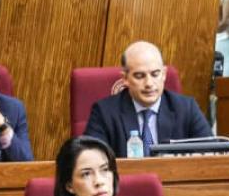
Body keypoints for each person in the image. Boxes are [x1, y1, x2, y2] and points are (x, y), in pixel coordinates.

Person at [82, 41, 211, 156]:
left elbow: (210, 153)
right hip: (126, 182)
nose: (149, 83)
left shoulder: (186, 108)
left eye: (155, 74)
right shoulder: (105, 112)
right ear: (125, 79)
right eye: (139, 76)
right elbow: (91, 159)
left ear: (164, 74)